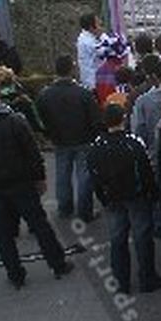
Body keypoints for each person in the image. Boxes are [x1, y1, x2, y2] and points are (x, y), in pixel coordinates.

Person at [0, 79, 75, 288]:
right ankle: (57, 262)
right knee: (39, 224)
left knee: (2, 233)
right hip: (19, 181)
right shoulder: (14, 121)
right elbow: (31, 152)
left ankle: (15, 273)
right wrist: (39, 177)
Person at [87, 103, 161, 294]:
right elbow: (146, 171)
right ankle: (147, 277)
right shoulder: (133, 143)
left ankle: (121, 281)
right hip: (136, 196)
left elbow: (94, 176)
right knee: (142, 237)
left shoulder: (96, 146)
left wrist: (102, 197)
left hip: (113, 197)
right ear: (123, 119)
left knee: (117, 239)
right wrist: (153, 194)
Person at [36, 55, 103, 222]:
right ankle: (84, 210)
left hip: (59, 139)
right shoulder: (83, 93)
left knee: (62, 174)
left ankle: (65, 208)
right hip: (83, 138)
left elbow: (41, 118)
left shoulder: (45, 95)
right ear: (72, 69)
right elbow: (95, 119)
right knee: (84, 176)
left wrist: (49, 134)